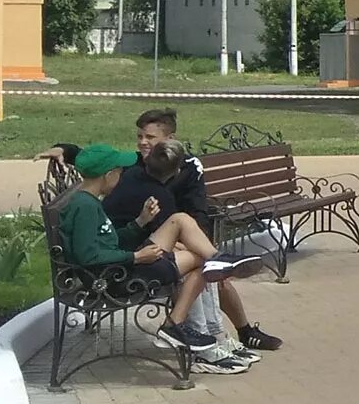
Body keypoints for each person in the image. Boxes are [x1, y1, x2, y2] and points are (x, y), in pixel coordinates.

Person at [42, 108, 284, 360]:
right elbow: (90, 250)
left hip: (138, 251)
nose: (143, 143)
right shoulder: (100, 194)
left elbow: (197, 211)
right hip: (118, 271)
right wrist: (136, 256)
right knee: (204, 263)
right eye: (140, 137)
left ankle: (229, 318)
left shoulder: (184, 168)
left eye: (150, 137)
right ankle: (189, 329)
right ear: (111, 174)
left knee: (205, 256)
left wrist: (141, 222)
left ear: (169, 139)